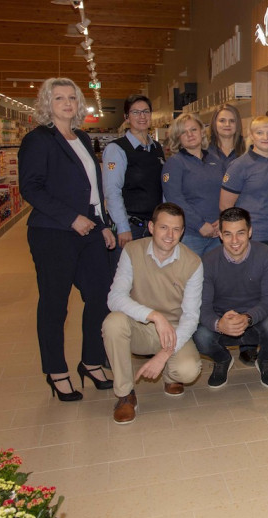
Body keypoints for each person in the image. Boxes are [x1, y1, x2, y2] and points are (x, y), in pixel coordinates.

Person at [19, 78, 117, 401]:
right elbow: (31, 187)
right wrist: (70, 218)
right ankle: (56, 371)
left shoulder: (83, 138)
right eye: (58, 98)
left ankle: (91, 361)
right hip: (53, 232)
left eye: (71, 98)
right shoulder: (38, 140)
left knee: (101, 294)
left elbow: (93, 189)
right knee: (55, 303)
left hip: (89, 228)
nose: (66, 103)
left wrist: (103, 224)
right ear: (47, 103)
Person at [102, 203, 203, 424]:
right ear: (151, 227)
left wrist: (164, 355)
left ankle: (170, 374)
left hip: (173, 332)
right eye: (164, 227)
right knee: (113, 323)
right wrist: (154, 316)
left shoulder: (193, 262)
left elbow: (191, 317)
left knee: (188, 371)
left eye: (176, 229)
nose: (170, 235)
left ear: (182, 232)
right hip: (139, 326)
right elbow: (115, 298)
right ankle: (125, 394)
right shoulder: (132, 251)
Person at [192, 207, 268, 390]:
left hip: (255, 318)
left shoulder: (266, 254)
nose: (234, 241)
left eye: (240, 233)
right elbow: (203, 306)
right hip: (222, 319)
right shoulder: (208, 261)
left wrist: (248, 317)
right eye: (228, 234)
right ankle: (222, 359)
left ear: (250, 232)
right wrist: (219, 324)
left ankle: (265, 360)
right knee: (199, 335)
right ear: (220, 235)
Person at [101, 94, 165, 247]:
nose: (142, 116)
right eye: (135, 112)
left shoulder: (156, 148)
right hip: (131, 228)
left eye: (146, 111)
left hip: (154, 226)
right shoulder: (117, 149)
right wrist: (122, 227)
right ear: (126, 117)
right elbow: (112, 190)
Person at [219, 116, 268, 252]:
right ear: (251, 135)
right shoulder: (239, 165)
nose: (265, 137)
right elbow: (225, 205)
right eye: (259, 133)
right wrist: (238, 234)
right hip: (254, 235)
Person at [161, 113, 224, 256]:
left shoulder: (215, 160)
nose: (190, 135)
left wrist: (222, 219)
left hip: (217, 232)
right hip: (191, 234)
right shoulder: (175, 163)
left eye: (193, 129)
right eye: (184, 132)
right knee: (190, 270)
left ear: (202, 132)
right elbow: (175, 199)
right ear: (178, 138)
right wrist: (199, 224)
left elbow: (227, 194)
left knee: (215, 270)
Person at [207, 103, 246, 170]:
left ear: (237, 124)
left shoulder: (246, 150)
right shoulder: (205, 151)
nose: (227, 124)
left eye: (232, 121)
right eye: (222, 120)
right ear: (214, 123)